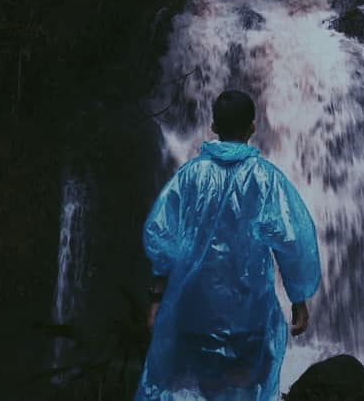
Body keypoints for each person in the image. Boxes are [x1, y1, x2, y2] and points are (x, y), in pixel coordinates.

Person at [136, 90, 321, 401]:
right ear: (252, 127)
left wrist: (157, 298)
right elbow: (292, 239)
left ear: (213, 126)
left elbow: (162, 235)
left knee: (195, 386)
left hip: (194, 307)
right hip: (248, 314)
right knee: (243, 388)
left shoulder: (189, 176)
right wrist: (298, 297)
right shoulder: (266, 179)